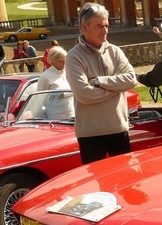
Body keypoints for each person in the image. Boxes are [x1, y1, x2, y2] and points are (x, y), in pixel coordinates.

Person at [66, 2, 137, 164]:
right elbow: (84, 94)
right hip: (90, 134)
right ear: (84, 27)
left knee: (124, 178)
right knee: (95, 183)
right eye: (99, 26)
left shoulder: (115, 51)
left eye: (106, 25)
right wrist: (117, 88)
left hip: (119, 129)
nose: (105, 30)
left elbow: (131, 79)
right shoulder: (74, 57)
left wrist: (100, 81)